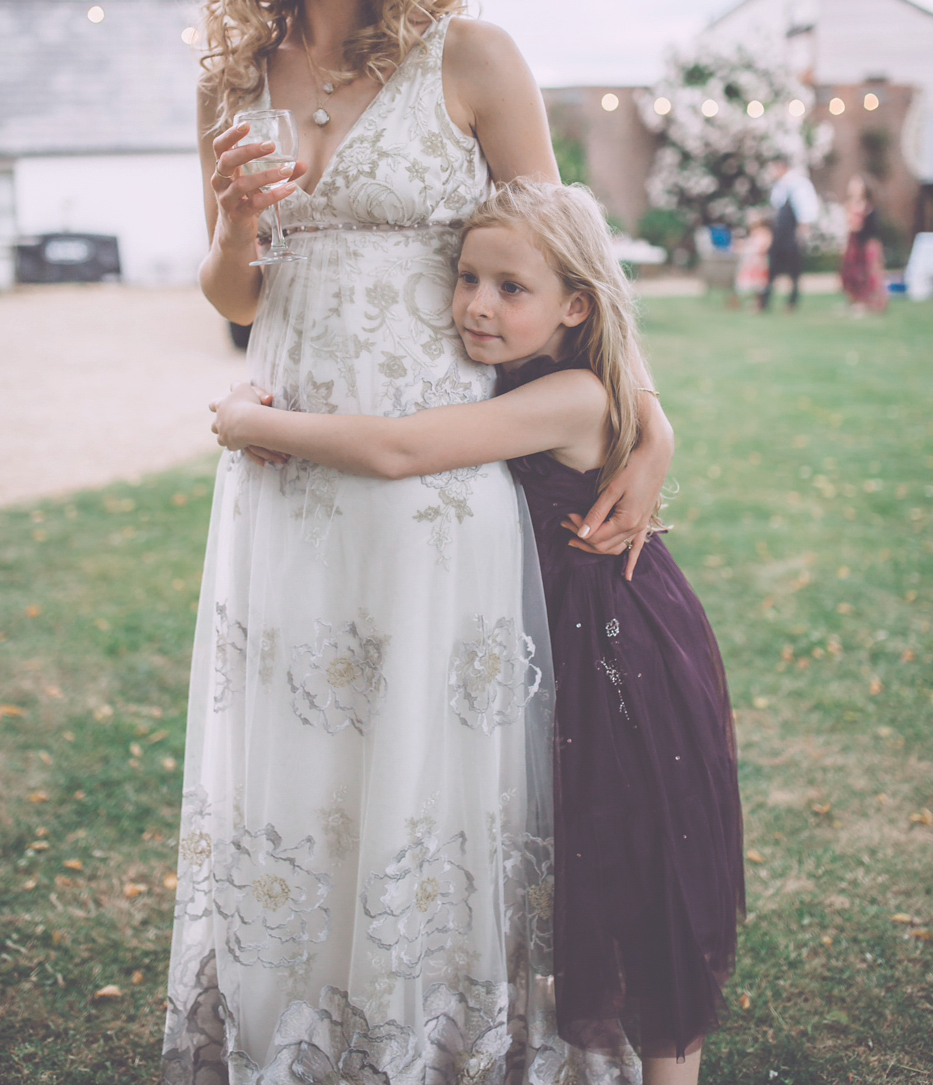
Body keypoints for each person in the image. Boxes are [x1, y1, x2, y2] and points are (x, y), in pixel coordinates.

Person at [165, 0, 674, 1084]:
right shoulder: (234, 72)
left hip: (432, 489)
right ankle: (305, 1030)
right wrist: (230, 226)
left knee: (420, 771)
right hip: (282, 480)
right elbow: (236, 297)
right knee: (298, 763)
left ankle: (434, 1035)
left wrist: (647, 416)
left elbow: (573, 272)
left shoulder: (474, 59)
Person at [211, 179, 745, 1085]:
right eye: (467, 279)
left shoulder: (573, 394)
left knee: (638, 871)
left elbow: (401, 449)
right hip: (554, 645)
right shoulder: (513, 372)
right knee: (568, 861)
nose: (477, 305)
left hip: (616, 655)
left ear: (576, 306)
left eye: (510, 288)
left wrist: (252, 423)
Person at [758, 154, 819, 310]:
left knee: (794, 270)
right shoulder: (779, 186)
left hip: (791, 234)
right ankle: (765, 300)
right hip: (779, 234)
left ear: (780, 166)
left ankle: (792, 302)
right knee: (772, 267)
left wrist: (800, 234)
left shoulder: (798, 184)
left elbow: (806, 210)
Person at [840, 174, 887, 313]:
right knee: (851, 272)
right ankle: (855, 300)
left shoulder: (869, 206)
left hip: (867, 243)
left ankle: (873, 303)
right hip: (854, 242)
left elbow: (870, 228)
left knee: (870, 273)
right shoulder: (849, 204)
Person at [734, 212, 772, 307]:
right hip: (751, 261)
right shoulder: (753, 233)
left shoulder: (765, 233)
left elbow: (764, 247)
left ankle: (758, 304)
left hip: (759, 262)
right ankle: (749, 303)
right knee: (748, 284)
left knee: (759, 285)